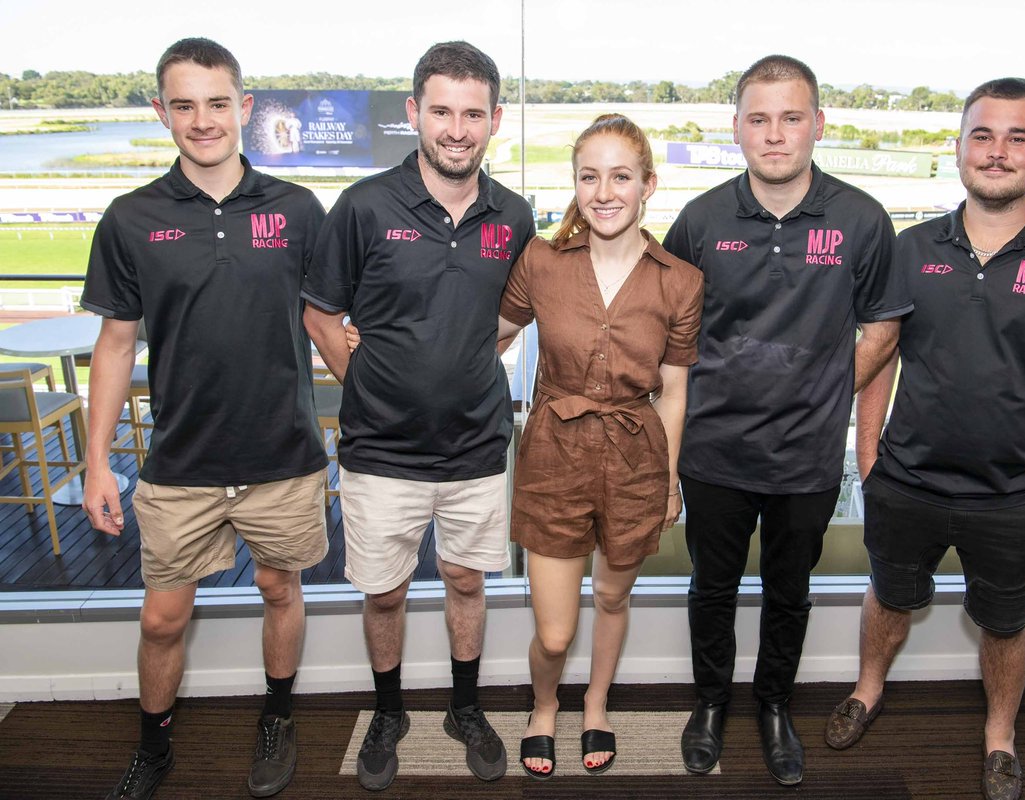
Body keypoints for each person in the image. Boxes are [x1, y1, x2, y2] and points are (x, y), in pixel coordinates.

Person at [825, 78, 1025, 800]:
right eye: (983, 135)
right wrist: (869, 460)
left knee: (1005, 622)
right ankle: (867, 690)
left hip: (1017, 498)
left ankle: (1001, 735)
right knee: (888, 596)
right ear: (959, 147)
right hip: (905, 483)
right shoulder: (909, 249)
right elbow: (879, 361)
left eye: (1017, 137)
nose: (997, 153)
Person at [82, 37, 328, 800]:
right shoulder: (130, 218)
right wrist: (96, 462)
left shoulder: (295, 210)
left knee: (279, 591)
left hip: (283, 456)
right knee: (162, 618)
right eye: (183, 105)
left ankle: (277, 715)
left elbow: (326, 323)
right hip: (181, 463)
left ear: (244, 108)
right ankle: (153, 745)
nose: (202, 119)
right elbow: (116, 343)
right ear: (161, 113)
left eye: (217, 103)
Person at [661, 55, 910, 786]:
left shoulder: (861, 219)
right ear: (737, 128)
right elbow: (671, 334)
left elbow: (883, 332)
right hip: (711, 452)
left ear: (818, 125)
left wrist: (826, 398)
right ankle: (709, 703)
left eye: (791, 118)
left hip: (805, 458)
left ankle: (773, 706)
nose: (775, 135)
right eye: (760, 119)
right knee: (711, 587)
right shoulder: (701, 219)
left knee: (788, 593)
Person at [302, 41, 535, 791]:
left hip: (475, 446)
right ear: (414, 114)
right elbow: (319, 311)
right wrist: (366, 377)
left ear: (495, 120)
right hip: (380, 449)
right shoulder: (365, 205)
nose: (457, 128)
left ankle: (465, 708)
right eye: (441, 111)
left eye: (473, 114)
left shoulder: (515, 216)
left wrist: (463, 355)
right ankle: (389, 709)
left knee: (468, 584)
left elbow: (510, 318)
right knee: (385, 592)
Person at [498, 114, 702, 779]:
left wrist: (670, 480)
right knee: (554, 631)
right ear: (576, 184)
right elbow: (487, 338)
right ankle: (544, 704)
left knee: (613, 598)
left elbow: (673, 391)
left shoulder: (679, 280)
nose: (604, 191)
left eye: (621, 176)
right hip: (553, 457)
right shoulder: (541, 260)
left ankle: (595, 703)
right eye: (590, 176)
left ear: (648, 184)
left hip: (637, 461)